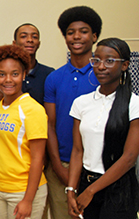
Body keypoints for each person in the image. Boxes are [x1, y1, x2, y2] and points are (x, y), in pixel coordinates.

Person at [67, 38, 139, 219]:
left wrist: (91, 191)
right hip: (85, 182)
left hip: (119, 189)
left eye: (109, 61)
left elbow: (129, 158)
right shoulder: (81, 103)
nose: (100, 66)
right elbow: (77, 151)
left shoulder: (134, 103)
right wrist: (71, 190)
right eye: (96, 60)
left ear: (125, 65)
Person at [44, 6, 102, 219]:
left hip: (98, 166)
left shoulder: (103, 75)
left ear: (94, 36)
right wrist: (58, 167)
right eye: (70, 32)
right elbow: (50, 125)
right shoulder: (54, 78)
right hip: (62, 165)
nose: (76, 36)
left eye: (84, 31)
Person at [0, 45, 47, 219]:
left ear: (24, 75)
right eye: (2, 74)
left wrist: (28, 200)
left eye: (15, 74)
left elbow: (38, 158)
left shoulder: (33, 109)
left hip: (22, 190)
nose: (8, 80)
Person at [0, 23, 54, 105]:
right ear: (14, 43)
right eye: (23, 36)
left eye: (34, 37)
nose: (30, 40)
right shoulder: (0, 73)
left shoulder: (49, 74)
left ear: (39, 44)